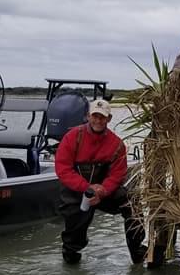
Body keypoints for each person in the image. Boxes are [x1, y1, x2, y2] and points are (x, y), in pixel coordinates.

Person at [54, 98, 146, 265]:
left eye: (102, 117)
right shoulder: (72, 137)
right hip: (77, 190)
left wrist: (102, 190)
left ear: (109, 119)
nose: (98, 120)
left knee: (132, 203)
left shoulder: (117, 143)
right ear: (88, 116)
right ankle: (71, 256)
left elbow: (118, 174)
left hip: (104, 191)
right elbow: (63, 169)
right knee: (74, 236)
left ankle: (137, 250)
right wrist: (87, 188)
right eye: (95, 116)